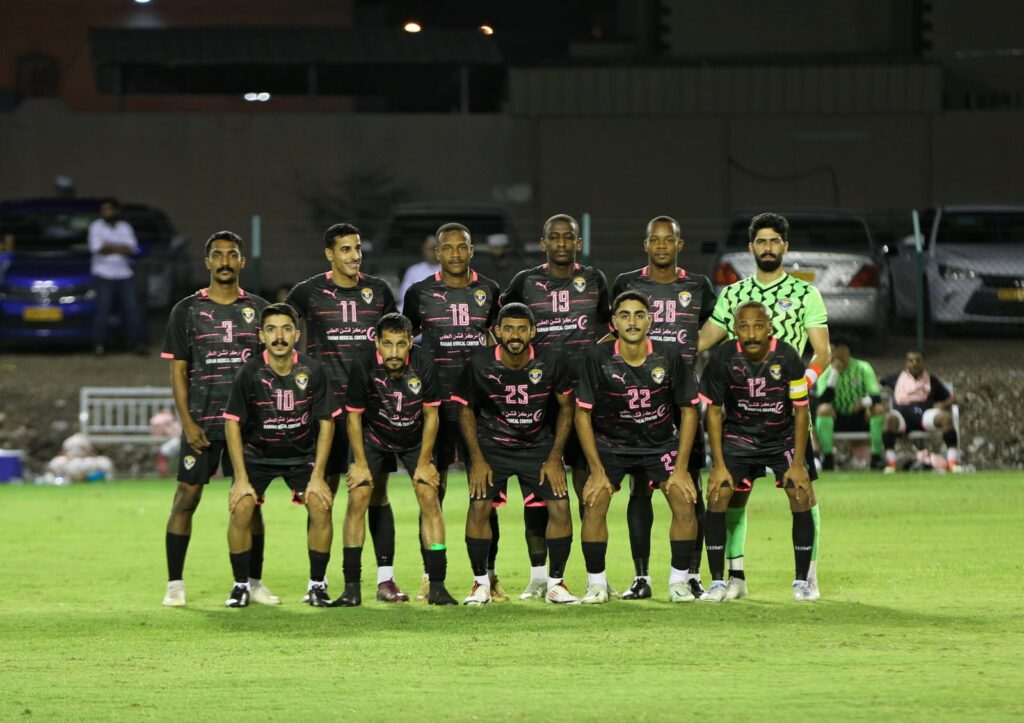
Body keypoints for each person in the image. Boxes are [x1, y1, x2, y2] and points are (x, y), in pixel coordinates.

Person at [698, 211, 830, 600]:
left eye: (774, 241)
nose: (768, 247)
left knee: (803, 489)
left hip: (788, 412)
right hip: (740, 414)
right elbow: (705, 338)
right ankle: (735, 576)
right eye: (761, 241)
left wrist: (804, 382)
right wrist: (660, 342)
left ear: (785, 246)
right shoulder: (733, 294)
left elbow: (821, 351)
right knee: (733, 494)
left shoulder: (806, 293)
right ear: (751, 247)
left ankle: (809, 575)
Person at [286, 224, 404, 602]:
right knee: (323, 495)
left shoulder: (379, 292)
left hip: (371, 411)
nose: (354, 256)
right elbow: (280, 328)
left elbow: (396, 341)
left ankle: (385, 580)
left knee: (375, 493)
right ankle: (317, 584)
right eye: (346, 249)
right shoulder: (307, 292)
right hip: (324, 411)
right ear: (329, 254)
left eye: (357, 249)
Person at [498, 213, 610, 600]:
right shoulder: (525, 282)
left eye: (568, 237)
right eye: (554, 237)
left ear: (578, 243)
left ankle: (595, 576)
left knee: (586, 487)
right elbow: (500, 323)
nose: (561, 243)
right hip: (538, 401)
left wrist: (595, 360)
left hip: (585, 400)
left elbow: (610, 325)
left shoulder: (594, 280)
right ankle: (539, 576)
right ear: (543, 243)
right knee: (538, 491)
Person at [160, 231, 272, 607]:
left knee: (250, 502)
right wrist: (188, 423)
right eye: (218, 255)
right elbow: (178, 371)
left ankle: (253, 583)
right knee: (186, 497)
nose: (225, 261)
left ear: (242, 261)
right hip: (203, 423)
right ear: (207, 262)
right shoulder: (186, 310)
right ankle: (175, 584)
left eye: (232, 254)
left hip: (248, 426)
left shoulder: (259, 310)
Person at [611, 215, 716, 601]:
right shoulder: (627, 283)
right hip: (639, 399)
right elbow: (614, 332)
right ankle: (641, 577)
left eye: (667, 240)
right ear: (645, 245)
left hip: (680, 399)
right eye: (654, 240)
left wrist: (692, 352)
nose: (660, 246)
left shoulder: (698, 286)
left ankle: (691, 575)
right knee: (640, 487)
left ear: (679, 245)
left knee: (689, 487)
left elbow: (716, 326)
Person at [574, 291, 700, 604]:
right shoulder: (597, 357)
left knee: (684, 499)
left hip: (659, 444)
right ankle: (596, 585)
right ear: (614, 323)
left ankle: (678, 582)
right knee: (594, 501)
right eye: (625, 315)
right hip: (612, 444)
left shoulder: (669, 356)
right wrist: (596, 470)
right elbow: (582, 413)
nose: (632, 321)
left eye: (639, 315)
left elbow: (688, 410)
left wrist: (681, 469)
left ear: (650, 321)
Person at [403, 223, 503, 601]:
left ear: (472, 251)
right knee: (433, 491)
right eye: (448, 248)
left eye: (463, 247)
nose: (456, 254)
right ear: (437, 252)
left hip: (479, 408)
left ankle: (489, 575)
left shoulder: (489, 291)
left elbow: (498, 339)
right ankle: (430, 575)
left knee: (484, 492)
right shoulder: (419, 292)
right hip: (436, 405)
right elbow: (406, 341)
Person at [454, 303, 578, 605]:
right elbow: (465, 409)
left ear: (532, 332)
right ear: (498, 331)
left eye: (522, 329)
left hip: (537, 446)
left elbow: (567, 408)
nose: (515, 335)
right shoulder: (480, 363)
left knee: (561, 507)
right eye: (508, 328)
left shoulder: (551, 362)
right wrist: (477, 459)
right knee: (479, 506)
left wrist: (555, 458)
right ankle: (480, 584)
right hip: (493, 447)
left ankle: (556, 584)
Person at [699, 301, 819, 602]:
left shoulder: (787, 357)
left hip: (781, 438)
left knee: (800, 493)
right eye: (744, 327)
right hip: (739, 437)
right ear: (734, 330)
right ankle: (719, 582)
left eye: (757, 326)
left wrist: (798, 463)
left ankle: (802, 582)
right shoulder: (723, 358)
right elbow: (712, 412)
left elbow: (801, 410)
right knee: (718, 494)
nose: (751, 334)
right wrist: (718, 465)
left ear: (770, 328)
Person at [222, 303, 339, 607]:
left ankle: (317, 586)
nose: (279, 336)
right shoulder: (249, 373)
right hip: (257, 455)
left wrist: (318, 476)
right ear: (261, 335)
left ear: (296, 335)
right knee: (241, 507)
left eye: (286, 329)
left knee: (321, 505)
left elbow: (327, 422)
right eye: (271, 330)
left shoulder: (313, 370)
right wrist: (241, 479)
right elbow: (232, 423)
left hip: (301, 456)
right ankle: (240, 586)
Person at [341, 313, 457, 606]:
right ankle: (352, 588)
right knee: (359, 496)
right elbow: (353, 417)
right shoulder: (363, 363)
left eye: (401, 344)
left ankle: (437, 585)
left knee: (429, 496)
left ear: (410, 343)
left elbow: (432, 415)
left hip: (415, 437)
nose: (394, 352)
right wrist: (360, 463)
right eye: (388, 344)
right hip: (374, 436)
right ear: (377, 343)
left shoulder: (424, 363)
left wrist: (424, 462)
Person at [880, 351, 962, 473]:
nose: (914, 363)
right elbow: (877, 383)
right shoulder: (895, 378)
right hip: (902, 417)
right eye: (911, 361)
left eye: (918, 360)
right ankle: (891, 464)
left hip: (925, 415)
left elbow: (952, 399)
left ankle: (952, 463)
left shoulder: (932, 380)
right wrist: (878, 403)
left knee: (946, 418)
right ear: (906, 363)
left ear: (923, 363)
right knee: (889, 419)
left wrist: (943, 404)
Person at [814, 340, 886, 470]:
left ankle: (876, 458)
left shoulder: (863, 367)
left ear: (845, 351)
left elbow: (876, 396)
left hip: (859, 416)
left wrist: (863, 402)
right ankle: (828, 459)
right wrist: (834, 373)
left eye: (832, 351)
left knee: (878, 409)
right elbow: (823, 399)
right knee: (823, 409)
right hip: (836, 417)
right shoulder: (825, 370)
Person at [88, 197, 145, 355]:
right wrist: (120, 248)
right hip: (103, 274)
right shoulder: (96, 226)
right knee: (103, 309)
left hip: (124, 274)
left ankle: (137, 343)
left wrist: (109, 246)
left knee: (132, 309)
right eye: (104, 210)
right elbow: (98, 248)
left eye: (109, 209)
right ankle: (99, 344)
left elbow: (132, 248)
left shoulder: (124, 227)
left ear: (116, 210)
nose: (106, 212)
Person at [398, 235, 441, 310]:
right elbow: (403, 296)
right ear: (423, 250)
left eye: (433, 249)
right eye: (428, 249)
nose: (431, 253)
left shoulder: (448, 269)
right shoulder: (414, 270)